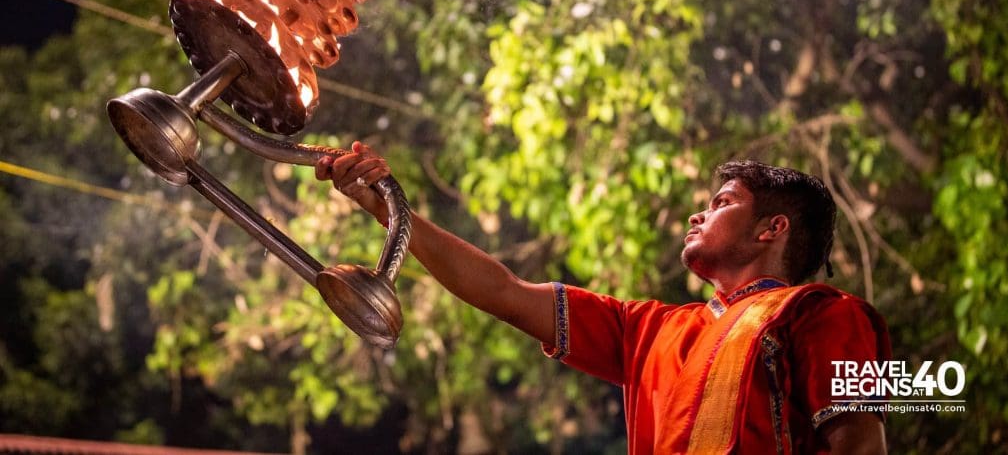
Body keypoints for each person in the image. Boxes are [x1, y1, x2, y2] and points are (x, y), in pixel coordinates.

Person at [316, 143, 890, 454]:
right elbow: (502, 291)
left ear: (772, 229)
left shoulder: (829, 313)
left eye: (721, 202)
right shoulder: (650, 329)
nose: (698, 212)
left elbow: (862, 443)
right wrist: (384, 208)